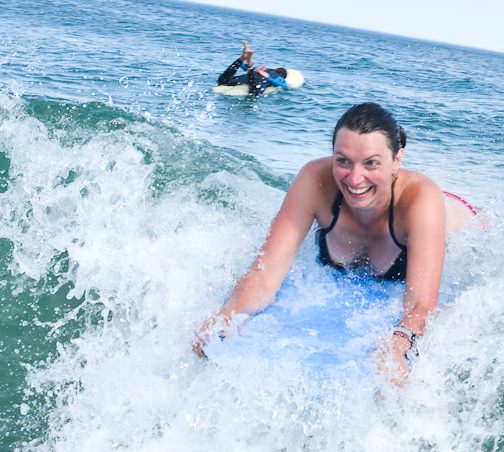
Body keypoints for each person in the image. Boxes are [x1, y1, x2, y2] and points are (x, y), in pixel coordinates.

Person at [192, 102, 478, 382]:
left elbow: (421, 304)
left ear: (397, 161)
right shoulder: (314, 179)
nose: (354, 179)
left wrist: (399, 342)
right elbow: (265, 274)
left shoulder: (420, 199)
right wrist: (228, 313)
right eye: (343, 161)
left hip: (457, 217)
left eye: (371, 163)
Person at [216, 41, 289, 96]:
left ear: (276, 69)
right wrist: (268, 77)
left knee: (222, 81)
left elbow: (245, 68)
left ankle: (242, 58)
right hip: (258, 81)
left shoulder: (264, 69)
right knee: (254, 93)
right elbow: (285, 87)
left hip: (247, 77)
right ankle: (249, 62)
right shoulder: (279, 77)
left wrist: (241, 63)